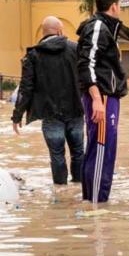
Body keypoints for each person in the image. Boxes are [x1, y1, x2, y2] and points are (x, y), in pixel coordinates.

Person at [76, 0, 129, 203]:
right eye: (119, 5)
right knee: (101, 148)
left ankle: (95, 200)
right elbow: (86, 63)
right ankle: (95, 203)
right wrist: (95, 99)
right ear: (114, 6)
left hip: (107, 96)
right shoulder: (98, 27)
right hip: (101, 96)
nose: (120, 9)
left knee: (103, 147)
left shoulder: (108, 28)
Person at [11, 16, 84, 185]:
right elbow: (86, 78)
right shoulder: (75, 49)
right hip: (76, 110)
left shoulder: (33, 55)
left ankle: (61, 192)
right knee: (78, 151)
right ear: (59, 31)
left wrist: (17, 115)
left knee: (57, 155)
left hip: (50, 114)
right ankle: (79, 189)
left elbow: (25, 89)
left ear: (43, 33)